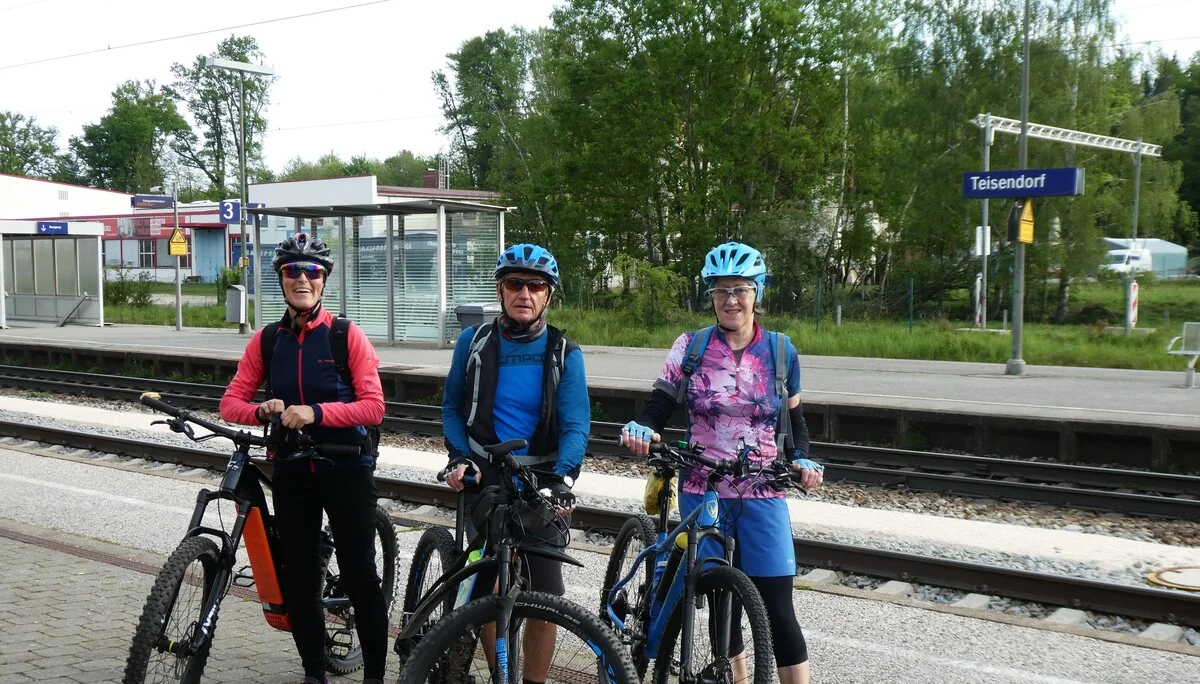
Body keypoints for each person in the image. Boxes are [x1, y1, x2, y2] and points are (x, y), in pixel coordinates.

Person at [620, 241, 824, 684]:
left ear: (759, 293)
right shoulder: (691, 346)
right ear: (710, 295)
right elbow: (658, 405)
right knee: (720, 604)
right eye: (720, 290)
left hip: (762, 491)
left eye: (741, 289)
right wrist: (642, 428)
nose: (731, 300)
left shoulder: (781, 351)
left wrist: (804, 459)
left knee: (778, 609)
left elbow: (795, 422)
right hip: (703, 489)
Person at [219, 233, 387, 684]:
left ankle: (374, 675)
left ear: (324, 281)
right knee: (299, 578)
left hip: (346, 466)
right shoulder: (268, 340)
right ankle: (315, 674)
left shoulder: (344, 336)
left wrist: (315, 412)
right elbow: (230, 402)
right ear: (281, 279)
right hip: (292, 469)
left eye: (312, 271)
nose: (302, 279)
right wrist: (261, 409)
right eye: (293, 271)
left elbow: (373, 407)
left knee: (360, 577)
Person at [441, 243, 589, 684]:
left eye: (535, 285)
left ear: (548, 295)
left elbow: (577, 425)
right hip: (486, 474)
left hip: (540, 480)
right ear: (501, 290)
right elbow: (451, 407)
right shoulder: (473, 342)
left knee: (546, 598)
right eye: (514, 284)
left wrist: (563, 477)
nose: (524, 293)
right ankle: (500, 676)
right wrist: (459, 456)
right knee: (489, 589)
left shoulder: (565, 351)